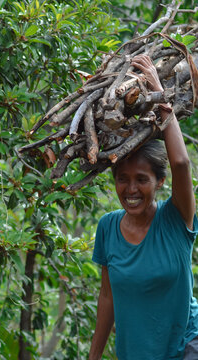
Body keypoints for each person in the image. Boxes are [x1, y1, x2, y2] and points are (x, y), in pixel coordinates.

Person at [88, 54, 198, 360]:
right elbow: (107, 297)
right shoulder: (108, 227)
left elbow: (180, 162)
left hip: (187, 348)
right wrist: (93, 356)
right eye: (122, 179)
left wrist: (160, 96)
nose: (131, 189)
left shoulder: (176, 219)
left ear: (159, 182)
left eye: (141, 179)